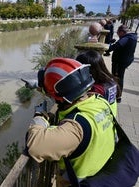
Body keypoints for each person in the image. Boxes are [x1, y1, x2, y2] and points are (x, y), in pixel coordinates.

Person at [25, 58, 116, 186]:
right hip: (104, 168)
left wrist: (40, 116)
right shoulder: (99, 101)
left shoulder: (76, 126)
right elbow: (61, 92)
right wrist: (37, 85)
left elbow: (36, 146)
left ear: (61, 98)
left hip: (80, 180)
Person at [105, 24, 137, 103]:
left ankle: (118, 96)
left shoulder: (126, 38)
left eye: (118, 33)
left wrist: (109, 48)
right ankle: (118, 95)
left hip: (120, 62)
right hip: (126, 60)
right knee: (119, 77)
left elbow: (118, 45)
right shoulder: (132, 37)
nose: (118, 35)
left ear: (122, 32)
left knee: (117, 78)